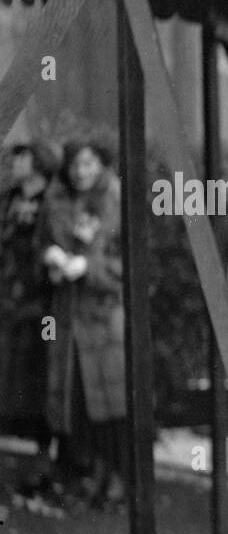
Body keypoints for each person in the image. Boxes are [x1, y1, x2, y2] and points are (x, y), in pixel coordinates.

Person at [41, 140, 128, 506]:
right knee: (75, 402)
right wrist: (50, 259)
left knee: (110, 405)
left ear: (100, 164)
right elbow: (39, 247)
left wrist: (89, 268)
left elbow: (130, 265)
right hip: (66, 319)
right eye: (75, 164)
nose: (81, 172)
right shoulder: (55, 201)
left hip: (102, 317)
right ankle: (88, 475)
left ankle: (117, 478)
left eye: (88, 163)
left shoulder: (116, 200)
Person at [0, 141, 61, 494]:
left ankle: (43, 457)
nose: (16, 163)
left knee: (40, 375)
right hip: (10, 299)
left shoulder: (50, 201)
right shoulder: (9, 199)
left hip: (42, 303)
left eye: (23, 158)